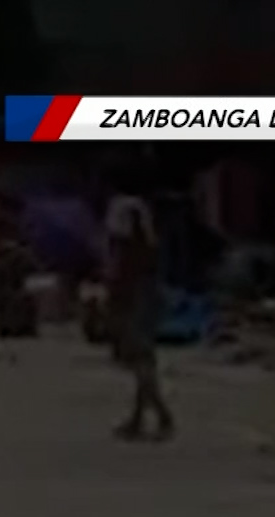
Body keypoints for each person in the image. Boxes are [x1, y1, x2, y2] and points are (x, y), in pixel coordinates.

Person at [103, 159, 174, 441]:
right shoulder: (142, 207)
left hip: (133, 286)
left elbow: (124, 249)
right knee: (142, 356)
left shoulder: (122, 208)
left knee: (138, 354)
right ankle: (143, 415)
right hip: (144, 283)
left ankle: (160, 415)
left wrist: (118, 286)